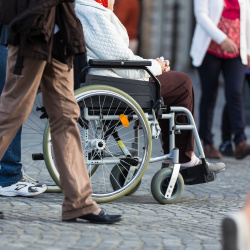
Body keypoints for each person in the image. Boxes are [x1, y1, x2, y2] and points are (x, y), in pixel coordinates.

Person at [0, 0, 121, 224]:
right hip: (32, 33)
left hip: (59, 37)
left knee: (66, 116)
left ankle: (79, 203)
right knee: (11, 113)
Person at [75, 0, 226, 173]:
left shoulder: (79, 9)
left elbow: (119, 59)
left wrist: (153, 64)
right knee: (182, 83)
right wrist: (155, 67)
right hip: (113, 82)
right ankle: (183, 158)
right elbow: (122, 63)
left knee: (168, 83)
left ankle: (177, 153)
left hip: (102, 79)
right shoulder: (94, 14)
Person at [190, 0, 250, 160]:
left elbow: (247, 18)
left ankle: (240, 141)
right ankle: (207, 142)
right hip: (209, 49)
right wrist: (222, 39)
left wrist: (248, 50)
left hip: (237, 51)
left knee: (235, 92)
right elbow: (201, 16)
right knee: (210, 94)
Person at [0, 25, 47, 197]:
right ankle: (9, 176)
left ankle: (10, 173)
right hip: (8, 39)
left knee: (9, 107)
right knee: (12, 108)